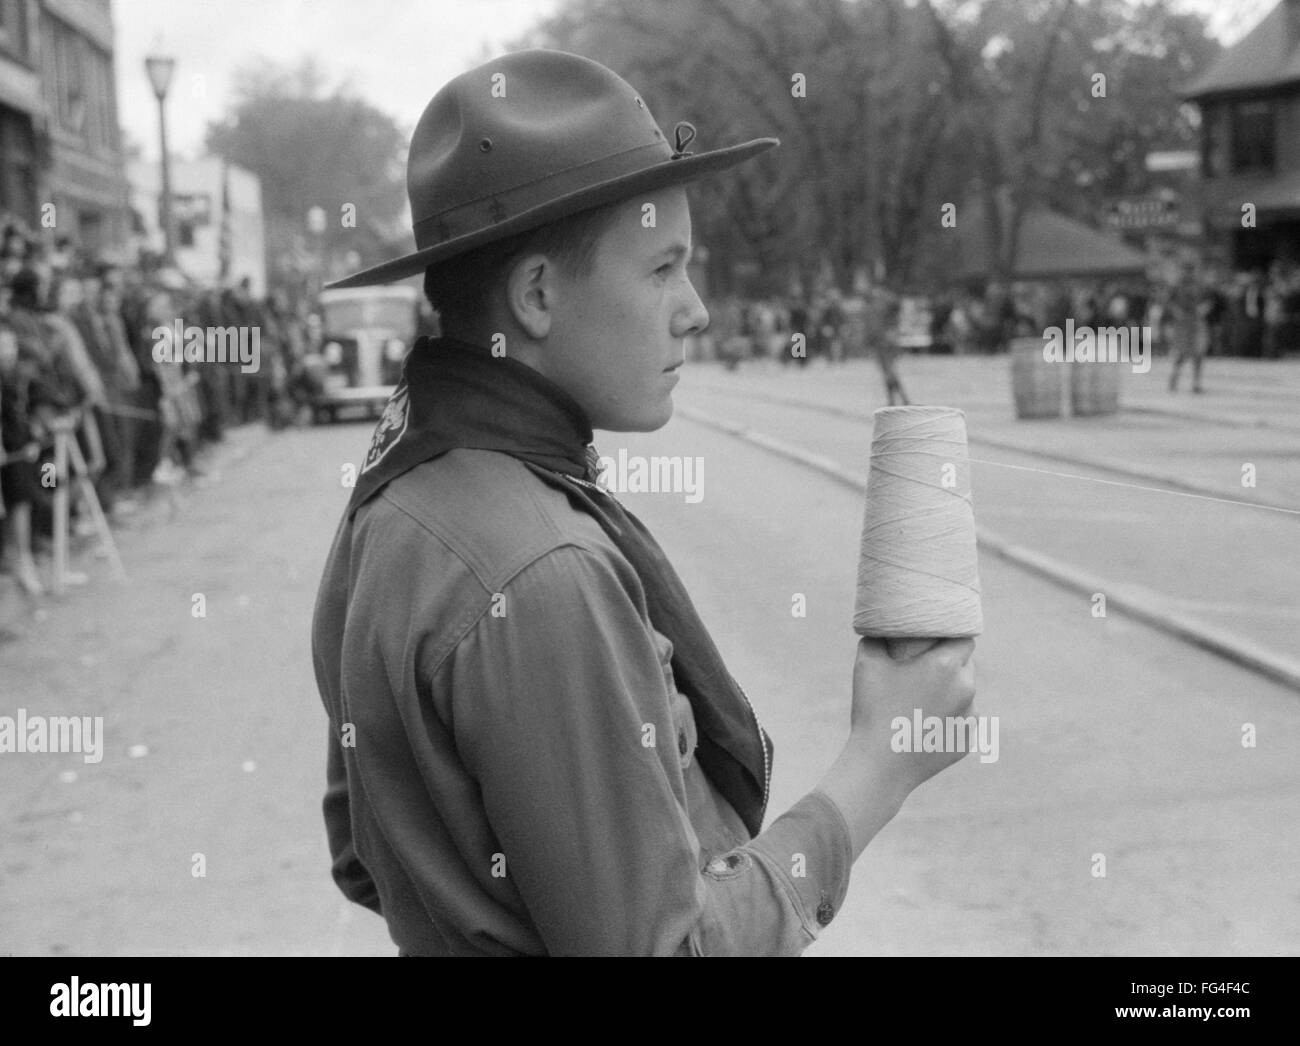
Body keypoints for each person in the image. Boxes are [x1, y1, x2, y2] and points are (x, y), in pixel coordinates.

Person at [312, 49, 975, 957]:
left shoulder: (399, 493)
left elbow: (363, 851)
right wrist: (878, 769)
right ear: (539, 296)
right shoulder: (545, 573)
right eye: (663, 269)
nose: (696, 310)